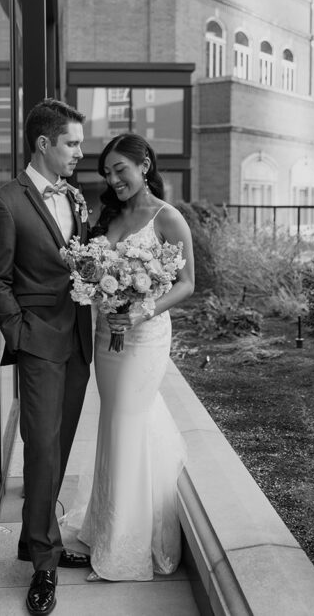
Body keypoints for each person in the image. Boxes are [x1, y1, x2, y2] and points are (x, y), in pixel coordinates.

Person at [0, 98, 94, 615]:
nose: (79, 152)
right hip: (38, 342)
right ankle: (44, 565)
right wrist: (20, 334)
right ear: (44, 144)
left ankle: (34, 535)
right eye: (72, 143)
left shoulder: (75, 198)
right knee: (41, 448)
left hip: (77, 338)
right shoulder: (4, 202)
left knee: (61, 442)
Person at [74, 132, 195, 581]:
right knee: (114, 425)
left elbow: (186, 283)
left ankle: (123, 550)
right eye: (107, 172)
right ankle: (105, 526)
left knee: (127, 422)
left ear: (144, 165)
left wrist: (141, 311)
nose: (113, 179)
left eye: (119, 169)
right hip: (107, 337)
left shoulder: (167, 218)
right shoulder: (109, 214)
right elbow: (93, 267)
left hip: (143, 339)